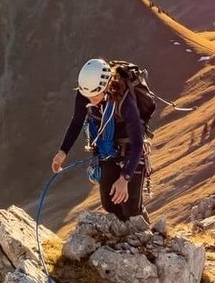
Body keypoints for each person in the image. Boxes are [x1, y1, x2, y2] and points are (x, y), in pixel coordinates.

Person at [52, 58, 147, 221]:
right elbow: (76, 122)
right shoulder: (85, 92)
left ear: (106, 86)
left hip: (130, 150)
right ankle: (123, 239)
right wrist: (63, 151)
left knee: (131, 207)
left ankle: (146, 239)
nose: (90, 100)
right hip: (106, 150)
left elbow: (137, 143)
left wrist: (125, 178)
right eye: (87, 96)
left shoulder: (124, 101)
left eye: (95, 96)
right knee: (109, 204)